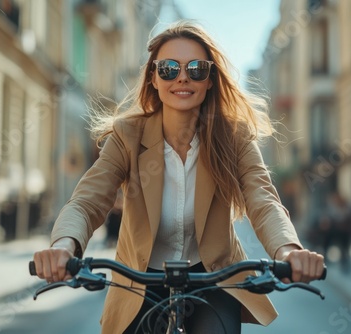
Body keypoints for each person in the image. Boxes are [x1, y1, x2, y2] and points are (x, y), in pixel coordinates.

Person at [33, 20, 325, 334]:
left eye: (196, 68)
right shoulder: (127, 135)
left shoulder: (234, 136)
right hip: (140, 281)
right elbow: (87, 201)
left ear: (210, 79)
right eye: (169, 68)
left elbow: (263, 200)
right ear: (154, 79)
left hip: (213, 280)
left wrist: (289, 251)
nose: (182, 77)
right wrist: (64, 246)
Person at [322, 191, 351, 273]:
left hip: (345, 233)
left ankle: (345, 264)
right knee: (327, 242)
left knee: (345, 249)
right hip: (335, 232)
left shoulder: (348, 208)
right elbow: (327, 220)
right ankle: (325, 260)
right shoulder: (332, 208)